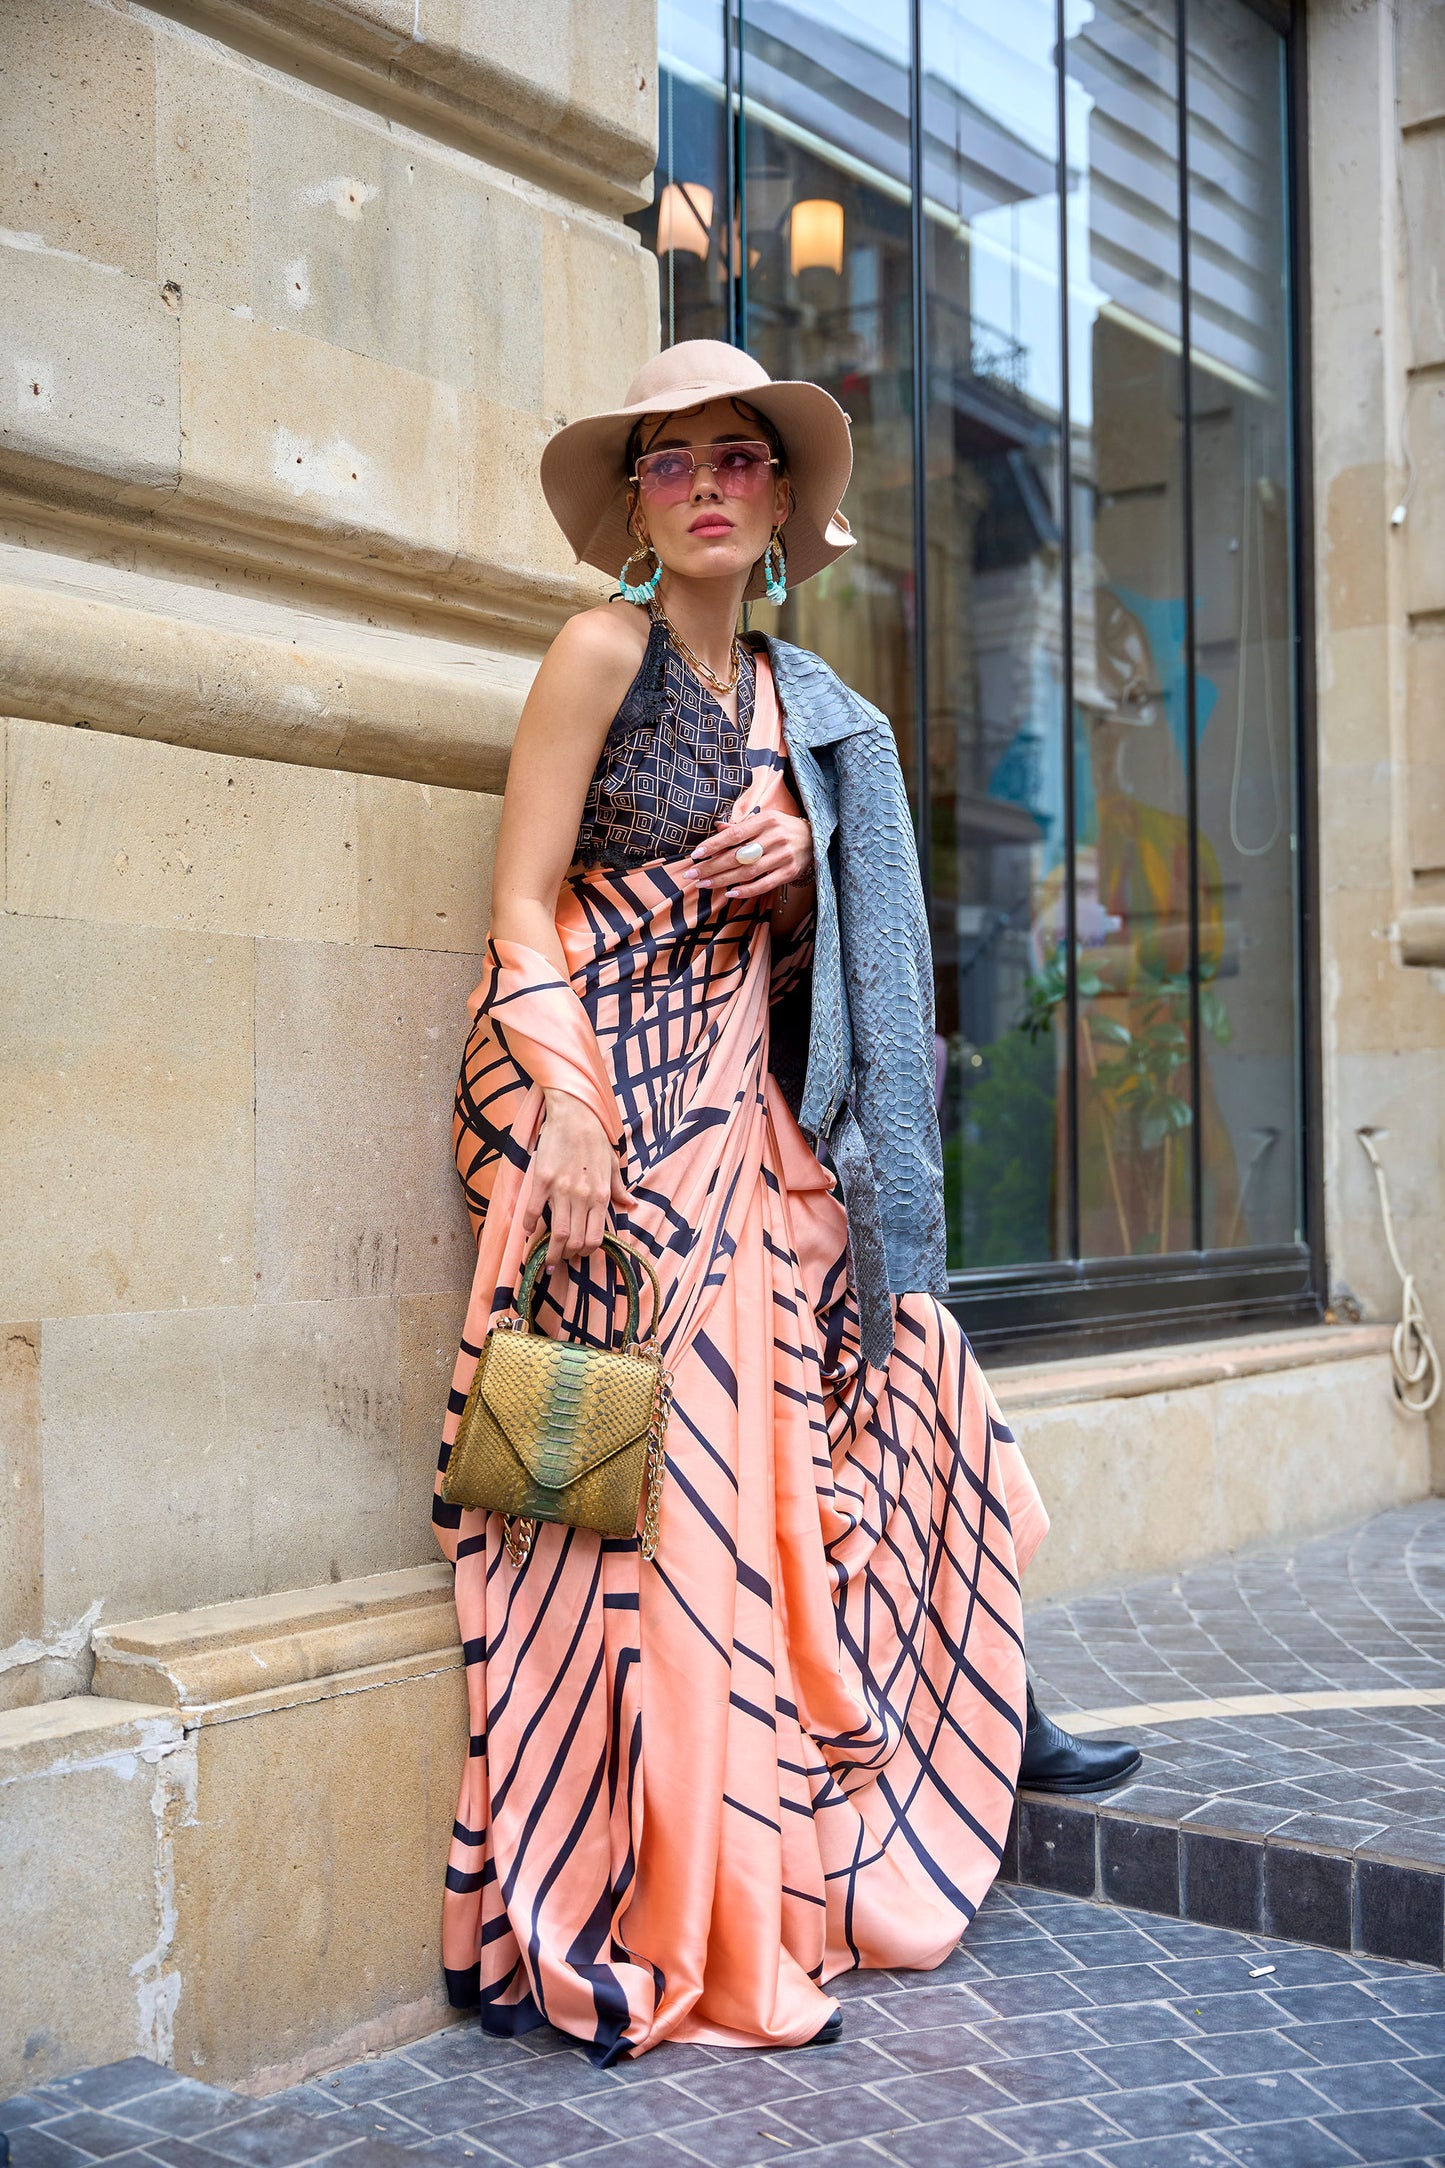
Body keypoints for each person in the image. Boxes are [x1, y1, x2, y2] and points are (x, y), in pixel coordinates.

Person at [433, 340, 1138, 2067]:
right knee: (640, 1495)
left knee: (902, 1376)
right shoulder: (597, 650)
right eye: (669, 463)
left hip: (754, 1125)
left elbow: (859, 982)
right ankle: (666, 1894)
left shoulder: (817, 713)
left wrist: (810, 879)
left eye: (736, 461)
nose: (704, 488)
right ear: (635, 500)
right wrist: (572, 1112)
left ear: (781, 503)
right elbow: (521, 910)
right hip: (599, 1105)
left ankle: (973, 1709)